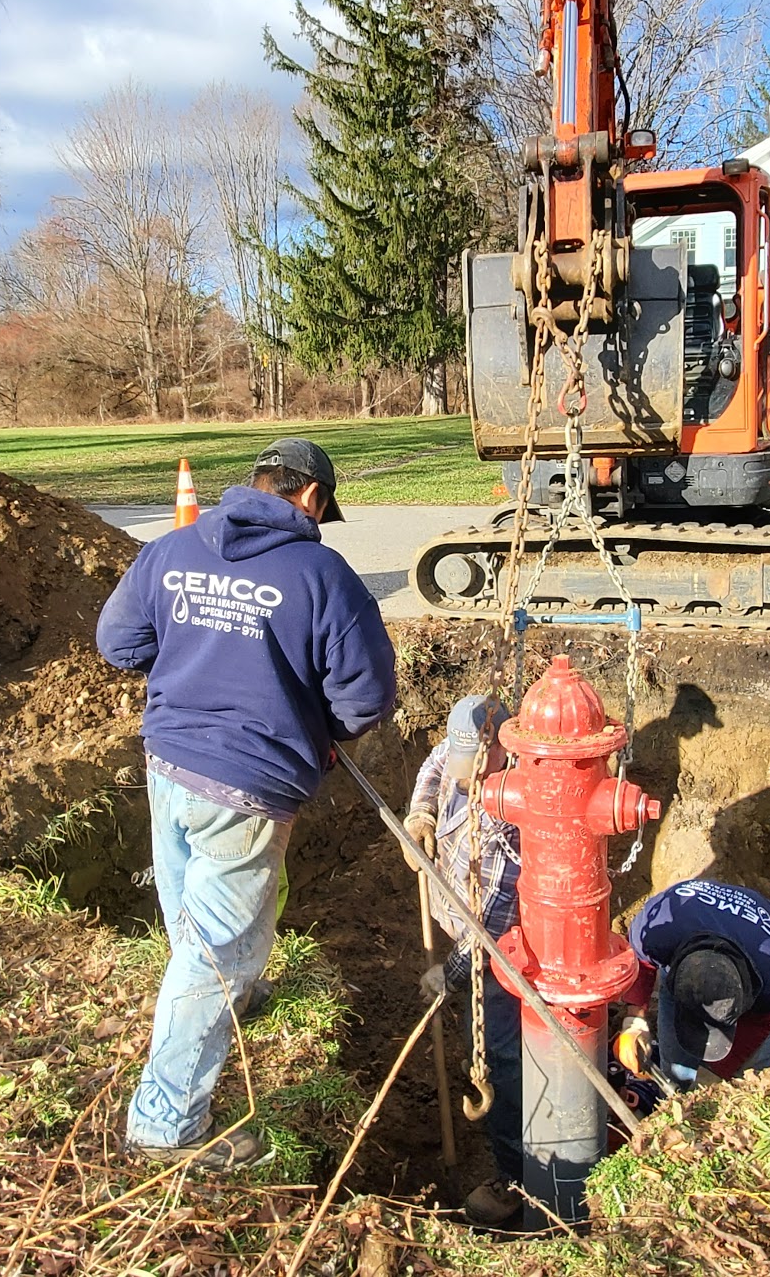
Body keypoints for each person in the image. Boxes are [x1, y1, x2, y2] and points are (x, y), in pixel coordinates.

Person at [98, 438, 397, 1170]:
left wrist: (190, 661)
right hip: (247, 783)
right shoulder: (321, 572)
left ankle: (236, 991)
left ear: (258, 484)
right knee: (215, 951)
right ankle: (166, 1127)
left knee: (189, 911)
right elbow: (366, 697)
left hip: (168, 761)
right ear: (312, 499)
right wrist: (320, 729)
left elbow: (118, 642)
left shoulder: (171, 550)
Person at [404, 695, 524, 1227]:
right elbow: (434, 761)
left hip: (510, 957)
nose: (457, 771)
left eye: (469, 761)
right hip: (465, 926)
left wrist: (447, 976)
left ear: (497, 751)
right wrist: (420, 813)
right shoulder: (461, 756)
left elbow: (491, 934)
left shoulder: (510, 820)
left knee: (504, 1060)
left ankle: (517, 1175)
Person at [612, 879, 770, 1092]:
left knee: (748, 1077)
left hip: (759, 950)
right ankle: (675, 1092)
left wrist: (716, 1075)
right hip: (689, 944)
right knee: (676, 1069)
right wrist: (635, 1020)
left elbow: (760, 1023)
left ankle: (747, 1093)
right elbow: (640, 962)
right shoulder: (656, 933)